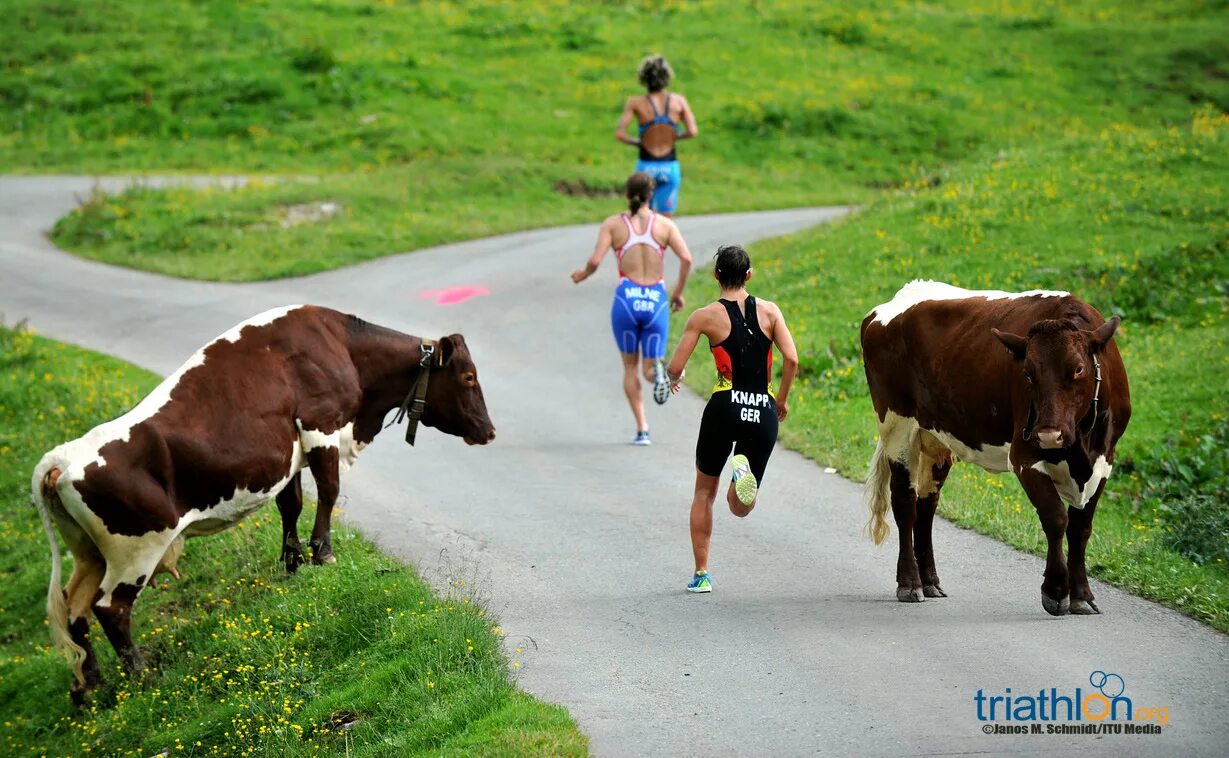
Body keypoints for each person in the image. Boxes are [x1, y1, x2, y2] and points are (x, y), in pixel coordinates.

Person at [665, 244, 798, 593]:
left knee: (704, 492)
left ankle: (702, 574)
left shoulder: (704, 316)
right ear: (749, 275)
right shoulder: (770, 312)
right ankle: (743, 472)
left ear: (716, 276)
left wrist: (673, 379)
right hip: (762, 409)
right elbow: (792, 359)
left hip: (724, 406)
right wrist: (780, 400)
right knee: (740, 507)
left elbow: (676, 367)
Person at [572, 172, 693, 446]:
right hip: (655, 300)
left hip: (626, 300)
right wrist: (678, 292)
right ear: (652, 195)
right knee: (649, 369)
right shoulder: (664, 225)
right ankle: (661, 374)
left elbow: (594, 261)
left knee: (629, 367)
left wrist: (583, 275)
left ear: (627, 195)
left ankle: (642, 429)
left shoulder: (613, 225)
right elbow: (686, 258)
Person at [614, 55, 698, 217]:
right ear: (667, 77)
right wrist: (673, 137)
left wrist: (640, 142)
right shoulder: (679, 101)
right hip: (669, 166)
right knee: (666, 222)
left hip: (646, 167)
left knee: (643, 219)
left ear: (643, 77)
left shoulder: (635, 103)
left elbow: (620, 134)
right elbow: (692, 131)